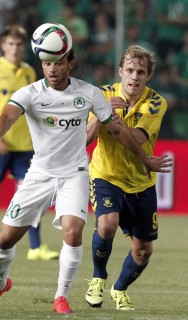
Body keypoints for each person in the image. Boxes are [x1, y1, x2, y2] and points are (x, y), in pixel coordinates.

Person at [0, 32, 172, 314]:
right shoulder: (30, 93)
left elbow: (119, 132)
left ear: (69, 64)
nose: (52, 68)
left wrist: (145, 158)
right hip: (39, 173)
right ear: (42, 65)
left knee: (74, 234)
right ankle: (0, 283)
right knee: (4, 241)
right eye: (47, 63)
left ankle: (61, 296)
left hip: (74, 173)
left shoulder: (89, 93)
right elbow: (6, 118)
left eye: (58, 62)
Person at [85, 45, 169, 311]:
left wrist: (114, 122)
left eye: (141, 72)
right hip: (105, 175)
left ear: (148, 77)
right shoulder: (101, 95)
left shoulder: (156, 102)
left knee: (143, 251)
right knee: (107, 225)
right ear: (120, 71)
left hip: (141, 183)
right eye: (130, 70)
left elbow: (137, 140)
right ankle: (98, 278)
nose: (134, 77)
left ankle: (119, 289)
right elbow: (85, 139)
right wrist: (101, 113)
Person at [0, 24, 59, 261]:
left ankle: (36, 247)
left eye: (19, 44)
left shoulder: (28, 72)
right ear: (2, 46)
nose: (15, 48)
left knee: (31, 194)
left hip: (26, 145)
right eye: (10, 44)